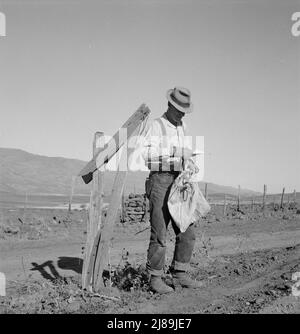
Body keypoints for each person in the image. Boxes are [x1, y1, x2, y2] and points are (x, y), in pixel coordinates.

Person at [141, 87, 204, 294]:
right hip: (160, 180)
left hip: (179, 181)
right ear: (169, 105)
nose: (182, 114)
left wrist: (189, 162)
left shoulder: (183, 126)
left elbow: (184, 155)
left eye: (184, 110)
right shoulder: (156, 126)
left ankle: (180, 274)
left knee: (187, 229)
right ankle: (155, 278)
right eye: (178, 109)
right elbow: (147, 157)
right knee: (159, 232)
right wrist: (175, 152)